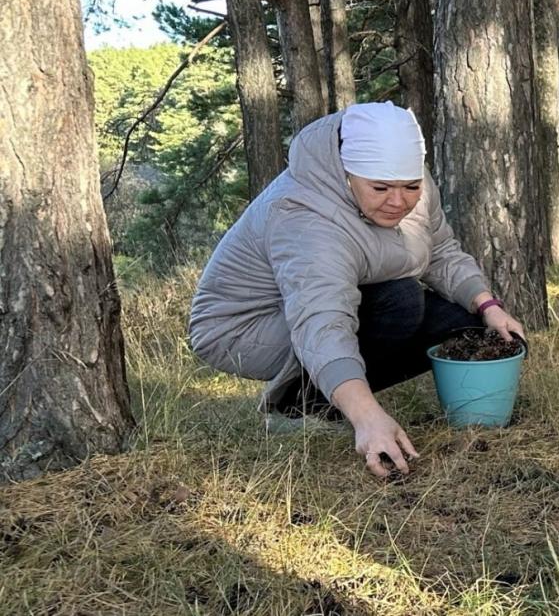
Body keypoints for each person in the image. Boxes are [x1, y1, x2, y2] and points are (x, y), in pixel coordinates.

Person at [188, 102, 527, 478]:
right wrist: (368, 419)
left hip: (329, 305)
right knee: (400, 300)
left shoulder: (407, 179)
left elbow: (441, 251)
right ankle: (300, 405)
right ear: (347, 175)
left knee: (461, 321)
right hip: (242, 328)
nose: (398, 201)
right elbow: (322, 322)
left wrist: (489, 305)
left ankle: (329, 399)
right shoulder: (304, 217)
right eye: (380, 188)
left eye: (410, 187)